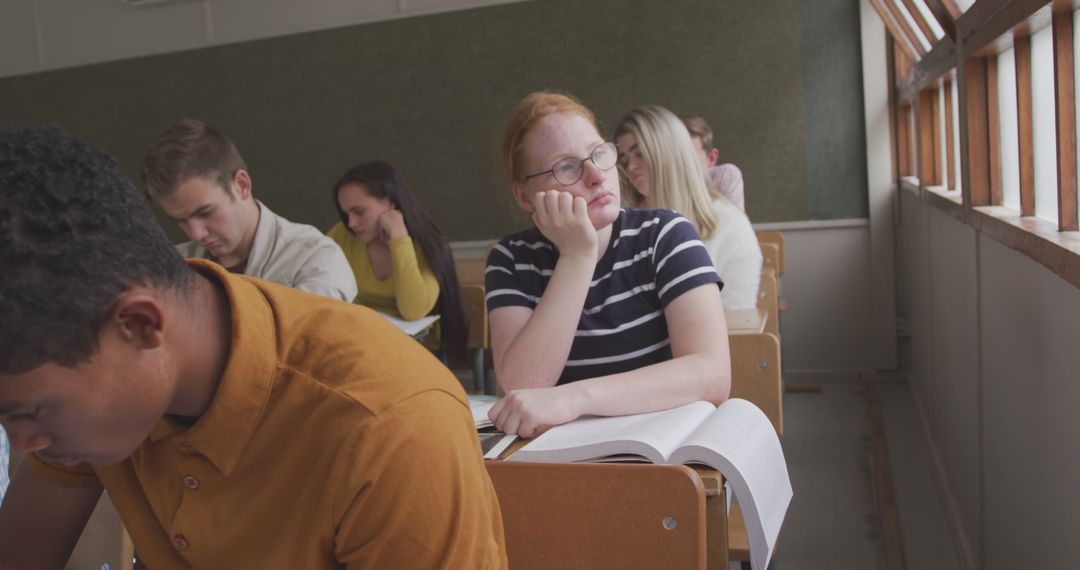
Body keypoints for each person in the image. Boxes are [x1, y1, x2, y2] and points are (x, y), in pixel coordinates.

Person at [0, 127, 507, 569]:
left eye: (30, 411)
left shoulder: (389, 423)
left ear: (139, 325)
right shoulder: (96, 381)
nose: (20, 442)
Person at [484, 91, 731, 438]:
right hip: (559, 463)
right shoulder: (511, 259)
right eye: (566, 167)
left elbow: (712, 374)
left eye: (598, 153)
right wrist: (576, 257)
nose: (597, 176)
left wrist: (576, 397)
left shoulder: (666, 235)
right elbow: (524, 384)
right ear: (525, 196)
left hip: (663, 453)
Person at [142, 118, 358, 302]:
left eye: (205, 212)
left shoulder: (315, 260)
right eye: (181, 220)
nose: (196, 234)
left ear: (241, 185)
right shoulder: (171, 267)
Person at [617, 106, 762, 310]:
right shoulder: (622, 223)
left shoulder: (731, 226)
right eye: (624, 161)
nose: (631, 167)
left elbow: (737, 324)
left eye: (640, 154)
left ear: (671, 153)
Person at [327, 161, 467, 362]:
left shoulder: (430, 244)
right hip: (365, 346)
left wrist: (399, 239)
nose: (351, 223)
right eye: (346, 214)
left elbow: (413, 311)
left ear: (390, 202)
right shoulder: (341, 236)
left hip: (421, 353)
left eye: (359, 212)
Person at [681, 114, 747, 213]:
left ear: (711, 158)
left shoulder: (724, 176)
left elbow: (735, 226)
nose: (681, 165)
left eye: (690, 158)